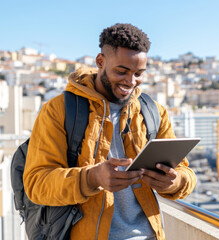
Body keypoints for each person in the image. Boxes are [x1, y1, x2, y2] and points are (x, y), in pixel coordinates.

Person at [23, 23, 197, 240]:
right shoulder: (58, 110)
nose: (130, 81)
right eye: (121, 71)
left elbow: (186, 173)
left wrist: (175, 182)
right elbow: (36, 184)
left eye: (139, 74)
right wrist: (92, 177)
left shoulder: (154, 112)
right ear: (100, 61)